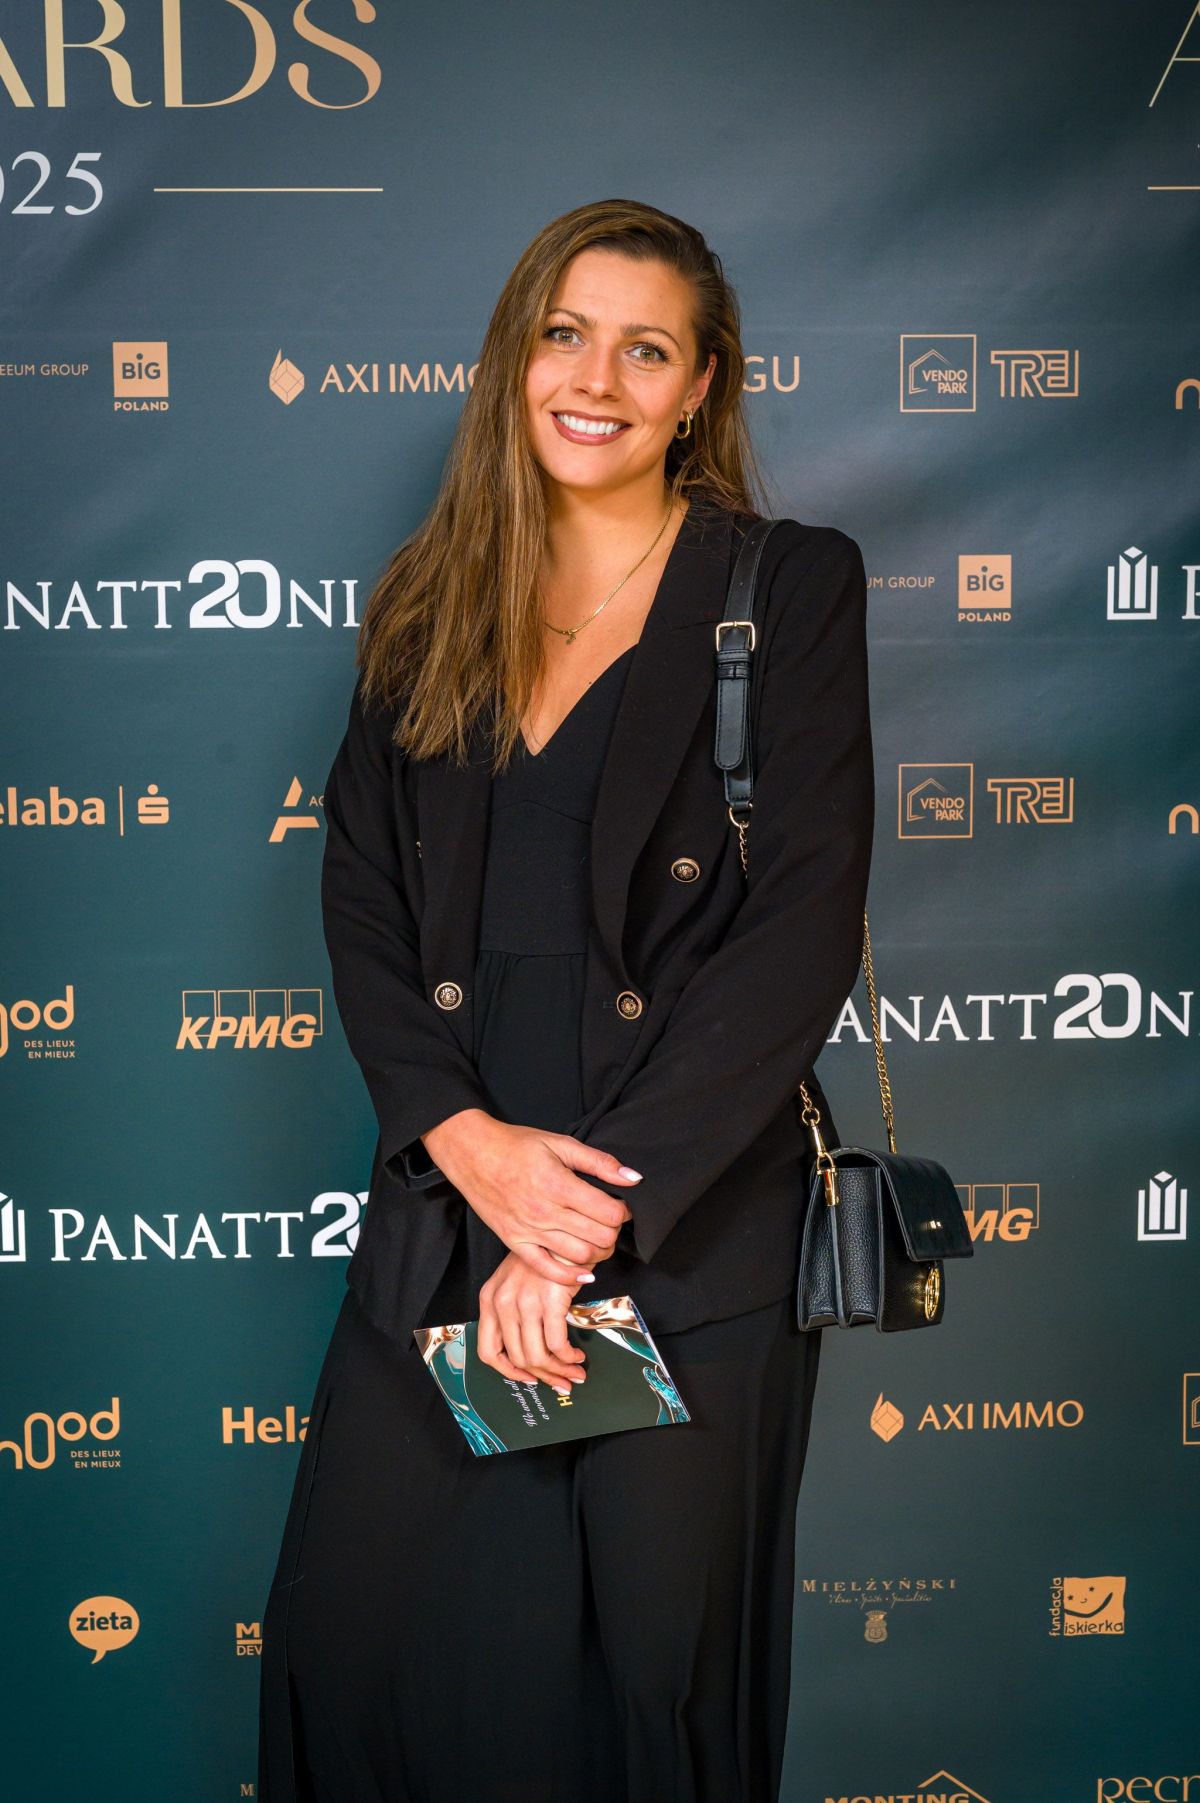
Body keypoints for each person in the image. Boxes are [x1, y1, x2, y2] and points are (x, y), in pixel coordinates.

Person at [258, 196, 875, 1803]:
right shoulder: (426, 603)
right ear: (514, 358)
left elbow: (803, 926)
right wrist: (467, 1150)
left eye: (645, 350)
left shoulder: (788, 589)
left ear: (700, 387)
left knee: (649, 1685)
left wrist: (578, 1227)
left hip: (682, 1229)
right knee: (366, 1659)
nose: (596, 379)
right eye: (565, 334)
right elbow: (362, 907)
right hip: (451, 1213)